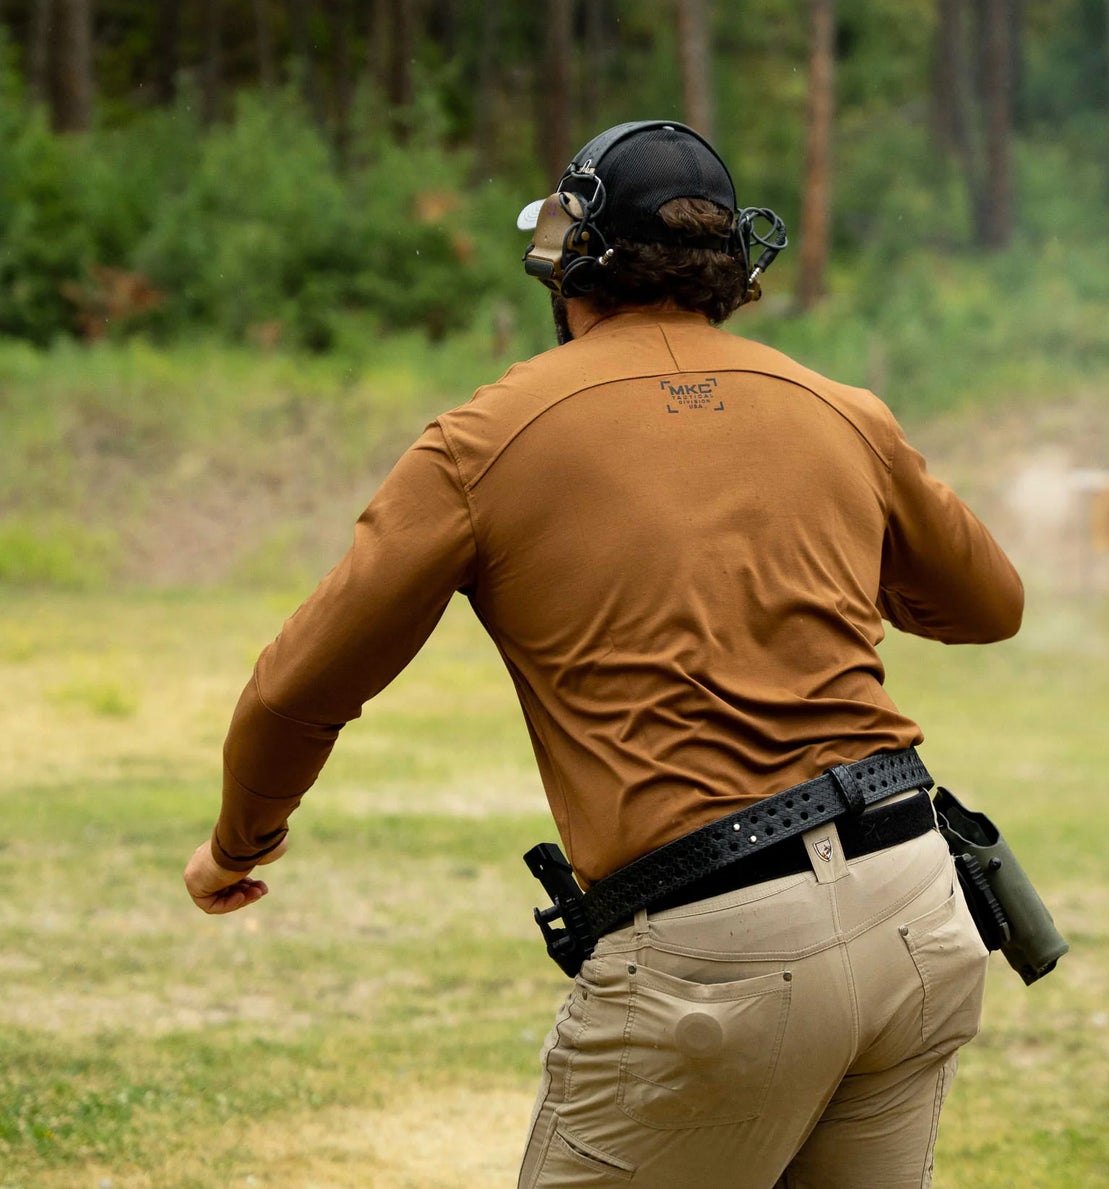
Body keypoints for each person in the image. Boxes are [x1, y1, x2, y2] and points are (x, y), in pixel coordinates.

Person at [183, 121, 1025, 1188]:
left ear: (568, 258)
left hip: (716, 938)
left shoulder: (482, 439)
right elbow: (988, 603)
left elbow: (297, 691)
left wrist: (237, 845)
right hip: (915, 899)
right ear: (733, 267)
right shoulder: (843, 410)